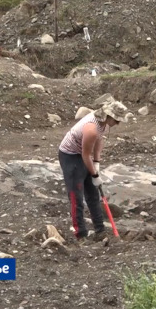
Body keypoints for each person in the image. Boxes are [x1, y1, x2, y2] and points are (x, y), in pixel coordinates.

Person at [58, 100, 129, 240]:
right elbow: (85, 155)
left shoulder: (103, 123)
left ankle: (100, 230)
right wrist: (95, 175)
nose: (118, 123)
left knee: (93, 194)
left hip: (83, 155)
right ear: (108, 115)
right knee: (76, 196)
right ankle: (81, 234)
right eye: (116, 120)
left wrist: (96, 163)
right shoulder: (91, 128)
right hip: (70, 156)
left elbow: (99, 140)